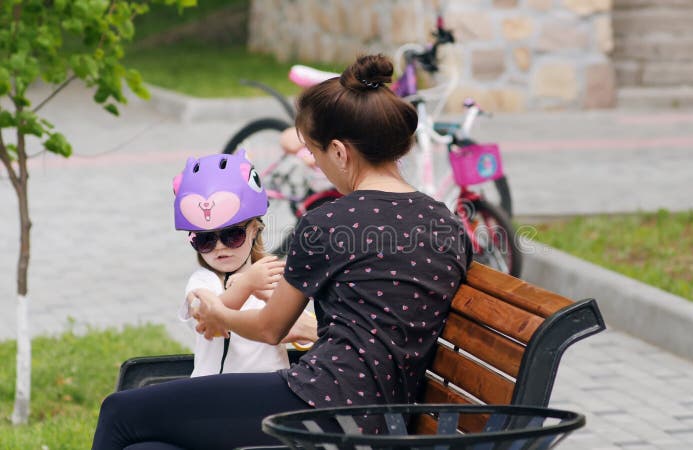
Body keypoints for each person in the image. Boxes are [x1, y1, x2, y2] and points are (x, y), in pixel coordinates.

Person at [91, 54, 472, 450]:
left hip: (321, 407)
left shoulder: (330, 222)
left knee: (119, 412)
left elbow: (270, 327)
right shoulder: (446, 223)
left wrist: (219, 312)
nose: (320, 168)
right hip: (384, 414)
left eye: (316, 154)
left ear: (340, 152)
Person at [173, 149, 310, 376]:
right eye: (205, 240)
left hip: (270, 387)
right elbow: (207, 318)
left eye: (232, 236)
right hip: (215, 393)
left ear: (255, 230)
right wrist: (247, 285)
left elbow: (300, 333)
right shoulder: (203, 280)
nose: (219, 247)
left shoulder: (269, 272)